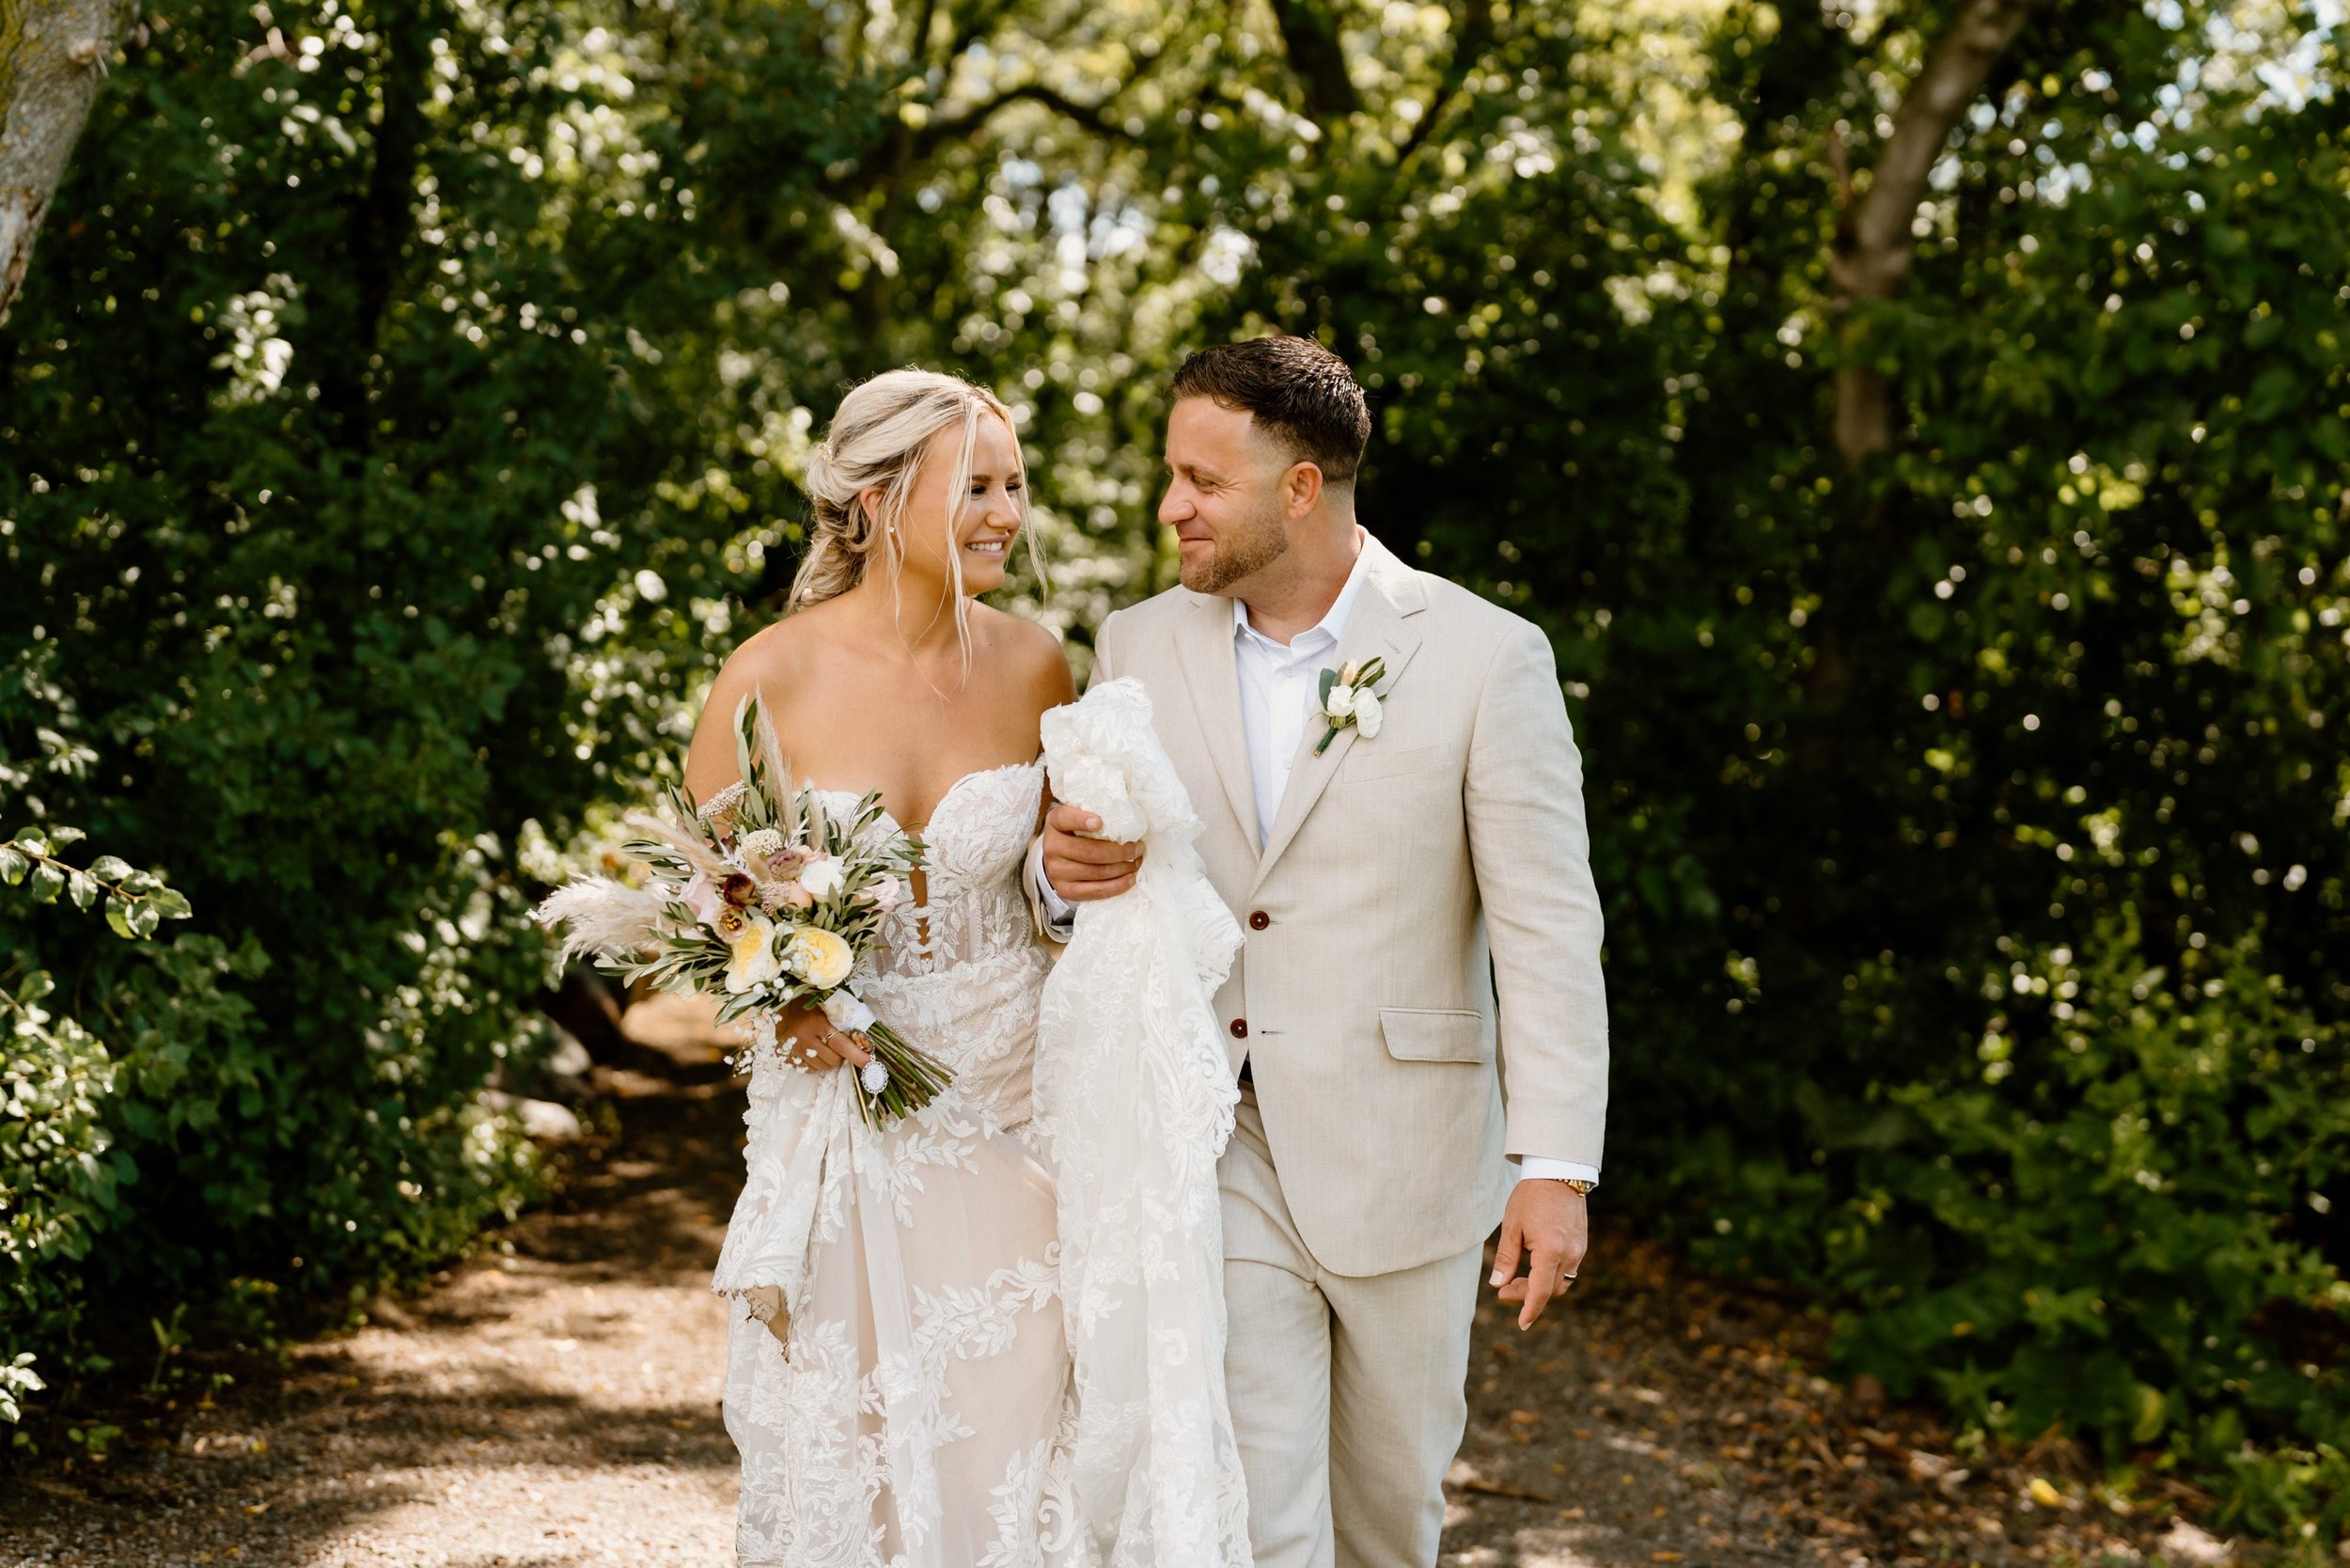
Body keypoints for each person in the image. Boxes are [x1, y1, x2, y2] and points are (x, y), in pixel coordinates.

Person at [1033, 336, 1611, 1568]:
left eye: (1202, 479)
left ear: (1302, 486)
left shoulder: (1483, 656)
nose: (1168, 506)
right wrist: (1062, 875)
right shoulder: (1137, 644)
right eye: (1169, 473)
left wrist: (1554, 1162)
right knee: (1263, 1509)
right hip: (1218, 1136)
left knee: (1390, 1520)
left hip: (1410, 1146)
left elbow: (1549, 920)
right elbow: (1094, 870)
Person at [682, 368, 1083, 1567]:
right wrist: (784, 997)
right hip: (843, 1108)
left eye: (1015, 486)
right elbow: (704, 897)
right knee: (848, 1436)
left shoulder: (1036, 666)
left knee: (1018, 1437)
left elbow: (1062, 895)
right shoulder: (769, 675)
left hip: (1019, 1099)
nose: (1006, 512)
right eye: (976, 487)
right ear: (873, 501)